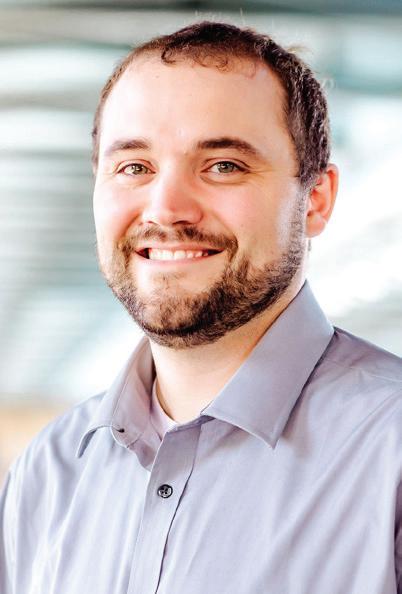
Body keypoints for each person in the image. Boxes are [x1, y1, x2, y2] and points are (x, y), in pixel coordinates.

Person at [1, 20, 401, 594]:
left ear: (316, 200)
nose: (166, 209)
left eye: (223, 165)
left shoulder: (390, 450)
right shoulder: (50, 471)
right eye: (134, 167)